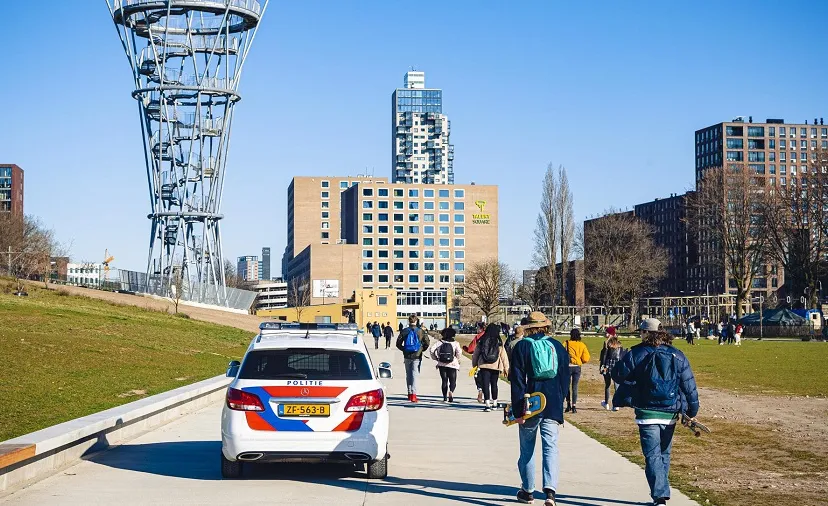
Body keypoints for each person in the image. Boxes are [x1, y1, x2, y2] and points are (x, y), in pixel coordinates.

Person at [611, 318, 700, 506]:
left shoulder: (637, 353)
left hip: (646, 412)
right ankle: (661, 491)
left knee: (652, 455)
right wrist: (692, 410)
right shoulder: (677, 355)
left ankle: (660, 496)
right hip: (670, 412)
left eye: (641, 332)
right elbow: (689, 385)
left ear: (645, 333)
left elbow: (617, 374)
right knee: (664, 454)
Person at [510, 312, 570, 506]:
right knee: (550, 447)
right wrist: (561, 402)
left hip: (530, 403)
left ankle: (528, 491)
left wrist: (518, 410)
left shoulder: (522, 346)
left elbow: (517, 380)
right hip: (551, 403)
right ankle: (550, 491)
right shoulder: (558, 346)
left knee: (527, 449)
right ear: (546, 326)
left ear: (528, 326)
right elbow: (564, 378)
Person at [472, 323, 510, 411]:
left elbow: (476, 354)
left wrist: (475, 365)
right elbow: (503, 356)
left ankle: (487, 404)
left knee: (485, 384)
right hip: (495, 365)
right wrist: (506, 368)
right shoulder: (499, 341)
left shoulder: (482, 340)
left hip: (484, 365)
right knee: (494, 384)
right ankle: (495, 403)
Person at [396, 315, 430, 402]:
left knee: (408, 374)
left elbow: (398, 343)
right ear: (416, 321)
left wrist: (404, 349)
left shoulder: (404, 331)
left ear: (409, 321)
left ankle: (409, 393)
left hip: (407, 355)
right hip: (417, 355)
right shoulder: (421, 331)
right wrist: (422, 349)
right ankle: (414, 395)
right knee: (415, 374)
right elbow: (427, 342)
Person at [427, 327, 462, 402]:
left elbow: (431, 350)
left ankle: (445, 397)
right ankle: (451, 391)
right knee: (453, 380)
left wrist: (436, 358)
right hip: (452, 364)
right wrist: (457, 359)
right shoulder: (455, 343)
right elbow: (459, 352)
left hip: (442, 364)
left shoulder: (439, 343)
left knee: (444, 380)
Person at [563, 328, 590, 414]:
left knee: (567, 385)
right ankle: (574, 405)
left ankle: (568, 404)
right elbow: (586, 358)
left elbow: (560, 353)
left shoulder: (566, 343)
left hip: (568, 366)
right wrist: (579, 361)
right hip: (577, 367)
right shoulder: (582, 345)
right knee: (575, 386)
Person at [463, 322, 487, 403]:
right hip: (491, 361)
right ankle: (487, 395)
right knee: (488, 378)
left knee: (478, 376)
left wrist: (465, 348)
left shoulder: (478, 337)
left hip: (479, 360)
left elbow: (471, 349)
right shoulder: (491, 336)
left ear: (480, 328)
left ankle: (480, 390)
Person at [599, 335, 623, 411]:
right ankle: (616, 404)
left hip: (607, 367)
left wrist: (602, 368)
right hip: (617, 368)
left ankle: (606, 403)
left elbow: (604, 357)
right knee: (617, 386)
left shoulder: (608, 347)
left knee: (607, 385)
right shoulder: (619, 347)